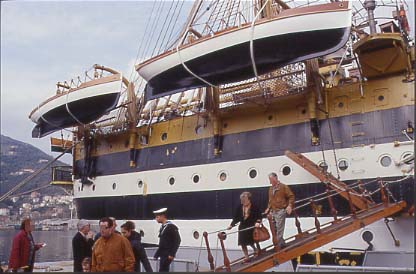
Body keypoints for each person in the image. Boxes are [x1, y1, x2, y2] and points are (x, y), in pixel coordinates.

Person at [227, 192, 262, 263]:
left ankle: (256, 250)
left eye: (244, 200)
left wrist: (258, 222)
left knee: (252, 240)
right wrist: (231, 225)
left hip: (251, 226)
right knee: (242, 242)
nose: (243, 202)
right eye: (242, 200)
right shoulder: (240, 207)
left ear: (249, 199)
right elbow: (236, 217)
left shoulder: (254, 206)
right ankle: (247, 257)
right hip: (242, 226)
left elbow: (259, 215)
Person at [263, 172, 295, 249]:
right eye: (269, 180)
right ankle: (282, 242)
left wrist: (289, 206)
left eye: (271, 180)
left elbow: (291, 196)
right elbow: (270, 200)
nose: (270, 182)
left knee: (279, 228)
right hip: (273, 211)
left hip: (281, 210)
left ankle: (278, 245)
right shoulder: (270, 189)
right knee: (274, 228)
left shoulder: (283, 187)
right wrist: (268, 208)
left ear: (275, 178)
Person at [153, 208, 181, 272]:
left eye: (157, 217)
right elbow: (162, 243)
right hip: (163, 254)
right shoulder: (163, 227)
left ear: (163, 216)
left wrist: (172, 254)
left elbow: (177, 240)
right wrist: (157, 255)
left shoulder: (171, 227)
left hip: (167, 254)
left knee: (163, 270)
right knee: (163, 270)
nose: (156, 219)